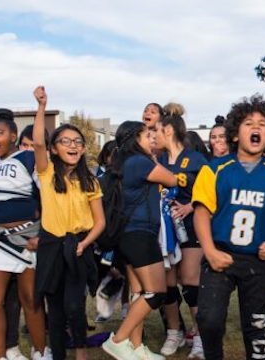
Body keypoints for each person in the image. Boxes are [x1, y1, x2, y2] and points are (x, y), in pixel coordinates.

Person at [192, 94, 265, 360]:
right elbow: (201, 213)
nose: (255, 127)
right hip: (221, 255)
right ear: (235, 134)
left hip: (258, 259)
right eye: (248, 123)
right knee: (209, 320)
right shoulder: (216, 169)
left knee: (257, 328)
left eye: (262, 123)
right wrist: (209, 251)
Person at [30, 87, 106, 360]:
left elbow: (100, 222)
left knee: (75, 306)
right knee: (56, 308)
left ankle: (81, 354)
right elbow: (38, 142)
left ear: (84, 148)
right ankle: (59, 354)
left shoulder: (91, 181)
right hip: (51, 247)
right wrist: (41, 106)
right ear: (54, 148)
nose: (73, 145)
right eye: (65, 141)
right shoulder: (46, 172)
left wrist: (85, 243)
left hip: (78, 247)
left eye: (78, 142)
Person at [0, 109, 49, 360]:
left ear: (13, 135)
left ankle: (40, 352)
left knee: (31, 299)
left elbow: (46, 196)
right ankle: (0, 355)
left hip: (28, 237)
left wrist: (43, 233)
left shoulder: (27, 159)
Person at [100, 120, 178, 360]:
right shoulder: (140, 162)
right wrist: (155, 157)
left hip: (128, 235)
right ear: (134, 139)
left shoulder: (124, 163)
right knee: (155, 293)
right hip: (140, 234)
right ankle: (118, 340)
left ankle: (136, 349)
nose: (151, 138)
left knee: (139, 292)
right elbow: (172, 180)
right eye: (147, 135)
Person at [155, 102, 209, 358]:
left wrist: (190, 206)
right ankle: (174, 332)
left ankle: (200, 336)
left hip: (190, 226)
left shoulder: (196, 158)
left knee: (189, 281)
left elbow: (210, 193)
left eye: (156, 130)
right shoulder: (158, 159)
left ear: (168, 131)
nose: (153, 135)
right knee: (166, 283)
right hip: (165, 229)